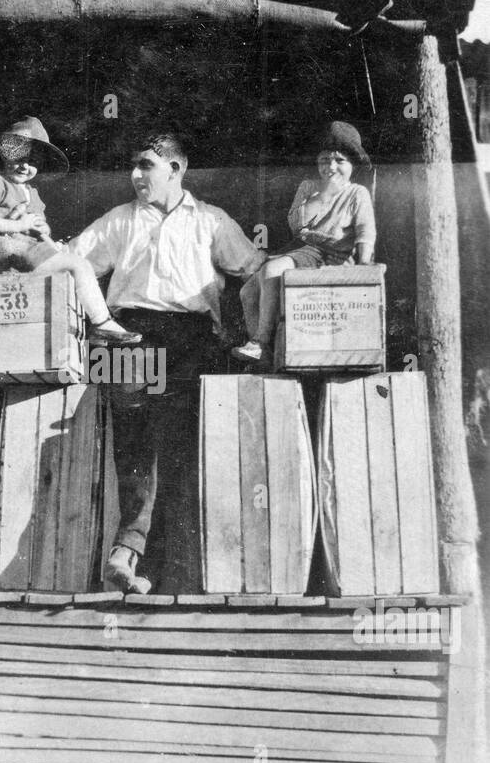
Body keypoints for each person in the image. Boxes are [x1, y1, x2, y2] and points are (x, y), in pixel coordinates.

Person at [69, 130, 266, 593]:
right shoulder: (119, 221)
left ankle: (155, 568)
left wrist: (253, 334)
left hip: (192, 338)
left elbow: (255, 271)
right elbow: (70, 260)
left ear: (176, 170)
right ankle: (127, 551)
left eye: (146, 166)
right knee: (132, 440)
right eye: (134, 166)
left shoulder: (212, 221)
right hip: (126, 336)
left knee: (177, 448)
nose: (135, 175)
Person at [0, 116, 141, 345]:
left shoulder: (32, 193)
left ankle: (80, 331)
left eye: (32, 162)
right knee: (78, 265)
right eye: (18, 157)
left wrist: (42, 228)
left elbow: (40, 229)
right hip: (11, 253)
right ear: (5, 154)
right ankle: (101, 324)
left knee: (72, 272)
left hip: (29, 252)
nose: (25, 166)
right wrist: (19, 225)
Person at [234, 121, 376, 369]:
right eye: (324, 160)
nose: (331, 167)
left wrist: (363, 265)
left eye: (339, 161)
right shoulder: (309, 188)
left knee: (270, 271)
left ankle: (260, 341)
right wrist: (322, 196)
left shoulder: (357, 193)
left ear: (353, 164)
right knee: (247, 291)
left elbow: (366, 231)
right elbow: (296, 225)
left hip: (336, 258)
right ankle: (263, 358)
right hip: (308, 252)